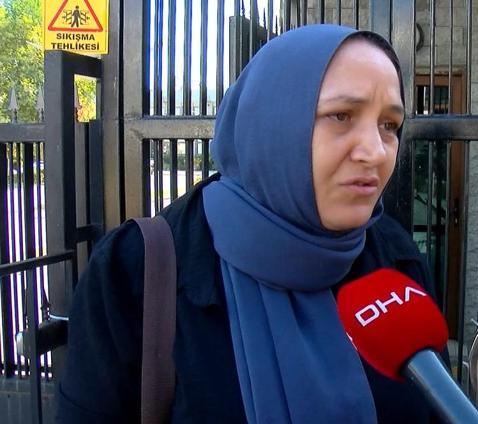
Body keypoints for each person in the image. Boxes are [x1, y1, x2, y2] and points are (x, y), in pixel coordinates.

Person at [57, 24, 444, 423]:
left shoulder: (396, 258)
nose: (375, 152)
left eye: (389, 125)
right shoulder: (133, 272)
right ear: (272, 119)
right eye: (341, 116)